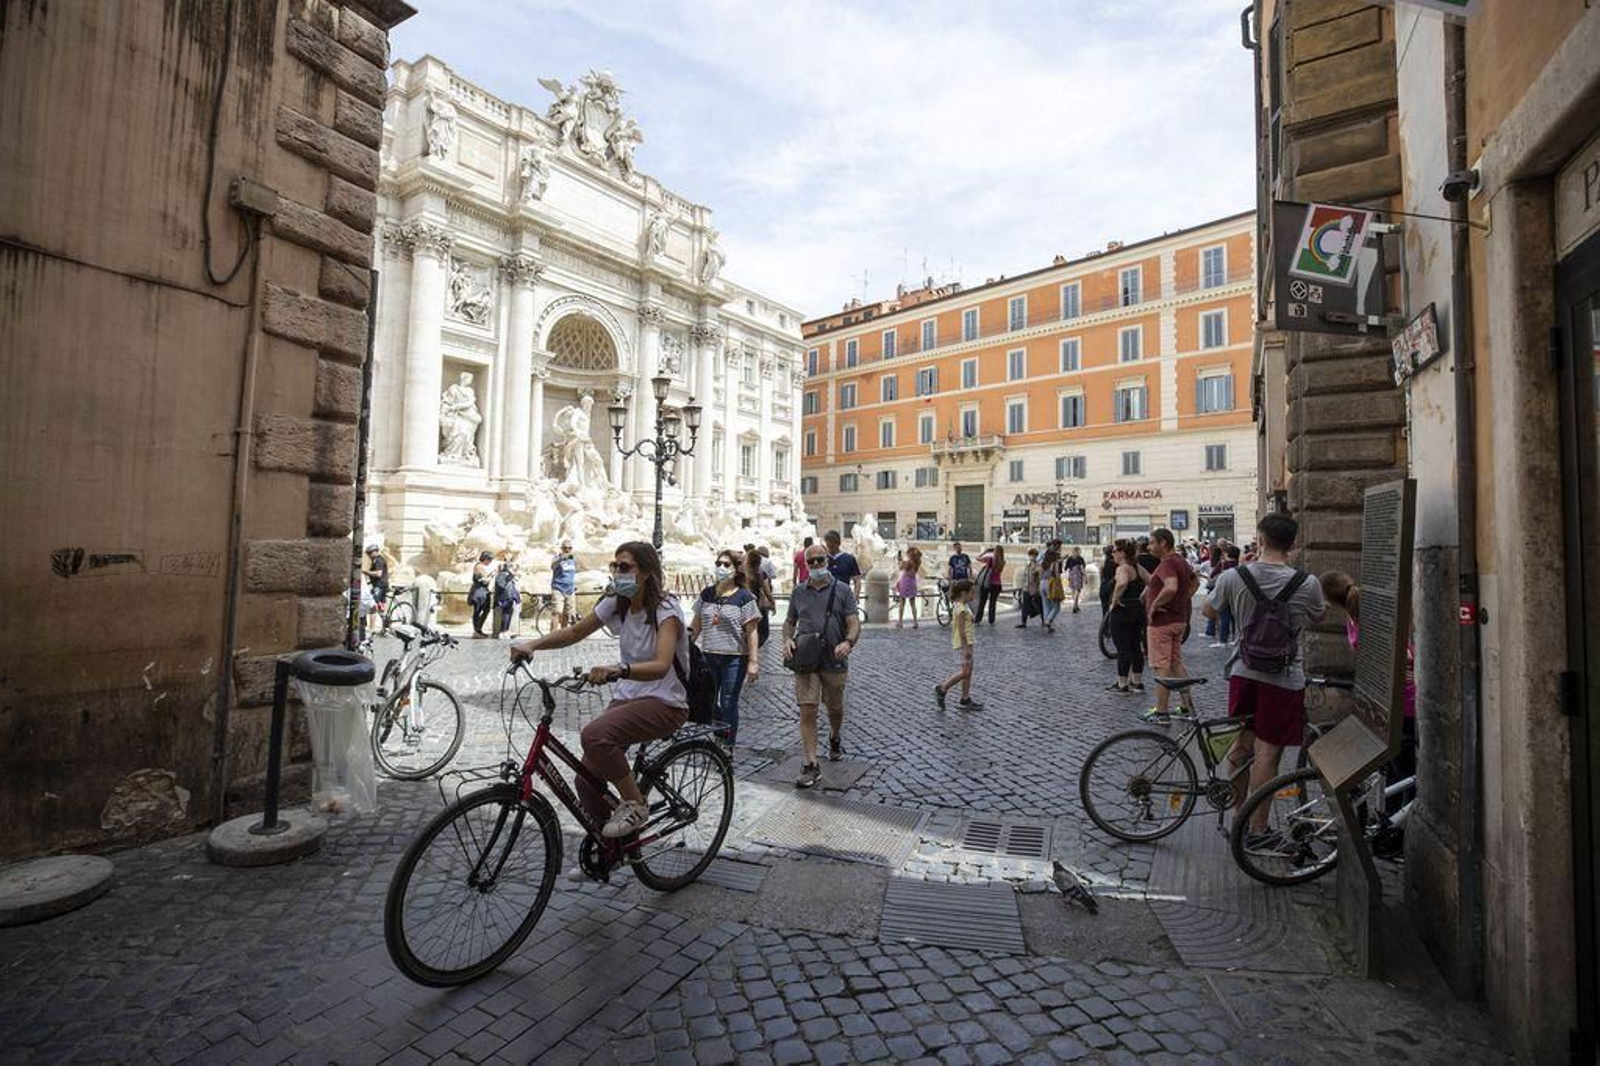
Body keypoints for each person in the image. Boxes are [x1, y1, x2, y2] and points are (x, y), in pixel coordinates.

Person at [509, 541, 690, 840]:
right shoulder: (618, 601)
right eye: (614, 566)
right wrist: (532, 645)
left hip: (665, 701)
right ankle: (612, 847)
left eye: (625, 567)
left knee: (595, 735)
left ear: (646, 572)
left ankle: (635, 804)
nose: (617, 572)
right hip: (629, 697)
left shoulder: (665, 609)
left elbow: (661, 665)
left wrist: (620, 669)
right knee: (586, 782)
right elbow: (575, 631)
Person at [1204, 515, 1326, 855]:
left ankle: (1238, 818)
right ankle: (1258, 829)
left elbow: (1208, 612)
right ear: (1293, 544)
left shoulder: (1234, 576)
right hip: (1283, 679)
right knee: (1268, 754)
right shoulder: (1307, 583)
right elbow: (1318, 615)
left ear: (1260, 540)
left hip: (1243, 672)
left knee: (1241, 745)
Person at [1320, 570, 1417, 796]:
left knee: (1403, 772)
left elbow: (1404, 654)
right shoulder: (1356, 612)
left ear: (1330, 599)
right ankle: (1393, 814)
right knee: (1395, 768)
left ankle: (1404, 814)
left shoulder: (1361, 614)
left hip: (1400, 698)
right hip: (1390, 697)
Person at [784, 542, 861, 788]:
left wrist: (848, 642)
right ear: (805, 565)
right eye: (811, 561)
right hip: (806, 658)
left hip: (834, 659)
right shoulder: (798, 592)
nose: (816, 564)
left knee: (835, 708)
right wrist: (787, 639)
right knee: (807, 710)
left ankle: (834, 736)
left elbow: (853, 621)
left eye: (820, 559)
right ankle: (810, 764)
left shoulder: (843, 590)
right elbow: (789, 621)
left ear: (827, 561)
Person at [689, 550, 761, 747]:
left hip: (735, 658)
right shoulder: (707, 594)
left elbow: (752, 631)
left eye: (726, 564)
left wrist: (753, 662)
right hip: (708, 655)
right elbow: (696, 625)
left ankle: (728, 746)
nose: (721, 567)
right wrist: (684, 643)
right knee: (710, 701)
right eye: (718, 563)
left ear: (736, 569)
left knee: (728, 701)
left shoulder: (744, 597)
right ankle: (719, 735)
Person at [1141, 527, 1199, 723]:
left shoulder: (1167, 563)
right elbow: (1195, 583)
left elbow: (1171, 587)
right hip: (1178, 620)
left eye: (1152, 543)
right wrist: (1181, 602)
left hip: (1162, 623)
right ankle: (1186, 707)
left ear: (1163, 543)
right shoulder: (1181, 561)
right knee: (1176, 664)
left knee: (1162, 667)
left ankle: (1161, 712)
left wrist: (1154, 605)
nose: (1149, 547)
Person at [1105, 539, 1146, 694]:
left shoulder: (1122, 568)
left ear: (1122, 553)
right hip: (1137, 609)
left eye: (1114, 551)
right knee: (1136, 646)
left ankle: (1122, 683)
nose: (1112, 554)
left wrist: (1114, 600)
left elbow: (1122, 583)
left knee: (1123, 648)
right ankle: (1137, 681)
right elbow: (1152, 581)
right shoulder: (1137, 567)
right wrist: (1142, 597)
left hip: (1122, 611)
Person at [934, 579, 982, 710]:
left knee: (968, 671)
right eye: (972, 592)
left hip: (969, 643)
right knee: (965, 672)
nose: (974, 595)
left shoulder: (964, 606)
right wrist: (966, 648)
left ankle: (965, 698)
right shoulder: (960, 609)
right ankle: (943, 688)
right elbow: (961, 631)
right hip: (963, 644)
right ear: (964, 593)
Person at [824, 530, 863, 598]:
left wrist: (855, 596)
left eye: (832, 545)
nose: (830, 548)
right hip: (825, 597)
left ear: (838, 543)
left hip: (843, 597)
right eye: (828, 545)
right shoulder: (822, 559)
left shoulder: (849, 559)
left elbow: (857, 580)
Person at [550, 539, 579, 628]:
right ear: (561, 548)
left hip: (570, 590)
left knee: (567, 614)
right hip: (558, 588)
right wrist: (561, 559)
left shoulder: (572, 559)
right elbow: (552, 566)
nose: (567, 550)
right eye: (565, 548)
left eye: (569, 548)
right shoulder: (557, 558)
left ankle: (563, 633)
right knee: (557, 612)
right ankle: (553, 634)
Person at [362, 544, 389, 632]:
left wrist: (366, 572)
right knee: (381, 606)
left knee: (372, 605)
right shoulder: (377, 560)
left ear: (375, 552)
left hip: (379, 585)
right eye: (368, 553)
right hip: (381, 585)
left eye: (370, 553)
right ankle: (385, 626)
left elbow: (378, 574)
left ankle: (372, 628)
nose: (369, 555)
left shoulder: (378, 560)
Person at [975, 545, 1005, 624]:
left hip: (987, 583)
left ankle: (978, 619)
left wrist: (985, 551)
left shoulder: (990, 559)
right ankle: (991, 620)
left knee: (982, 602)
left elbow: (977, 558)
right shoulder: (1002, 562)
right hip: (997, 584)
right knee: (993, 603)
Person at [469, 551, 496, 637]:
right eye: (490, 560)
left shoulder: (480, 566)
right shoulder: (479, 566)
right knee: (478, 611)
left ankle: (478, 629)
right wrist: (493, 574)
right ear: (485, 559)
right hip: (479, 592)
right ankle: (477, 631)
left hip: (483, 591)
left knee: (485, 610)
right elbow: (485, 580)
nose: (490, 562)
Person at [1039, 542, 1064, 632]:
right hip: (1051, 584)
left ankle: (1047, 624)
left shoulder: (1043, 563)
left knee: (1046, 605)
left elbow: (1040, 574)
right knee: (1056, 606)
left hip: (1042, 583)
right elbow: (1057, 575)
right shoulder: (1054, 563)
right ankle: (1048, 621)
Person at [1016, 547, 1042, 629]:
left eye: (1033, 555)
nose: (1032, 557)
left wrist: (1038, 588)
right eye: (1031, 555)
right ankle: (1023, 622)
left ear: (1036, 556)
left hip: (1035, 589)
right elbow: (1025, 576)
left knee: (1039, 605)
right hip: (1026, 588)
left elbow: (1039, 577)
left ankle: (1044, 620)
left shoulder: (1038, 565)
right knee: (1025, 606)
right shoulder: (1027, 565)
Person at [493, 560, 521, 638]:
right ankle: (503, 631)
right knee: (506, 614)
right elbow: (501, 585)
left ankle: (506, 630)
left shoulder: (504, 574)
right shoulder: (502, 575)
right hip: (505, 597)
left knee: (508, 614)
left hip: (508, 597)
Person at [896, 547, 922, 627]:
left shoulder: (908, 563)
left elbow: (900, 568)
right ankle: (915, 622)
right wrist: (902, 561)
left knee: (902, 603)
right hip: (912, 582)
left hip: (905, 582)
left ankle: (900, 622)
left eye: (908, 553)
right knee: (913, 604)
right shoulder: (917, 562)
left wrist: (900, 561)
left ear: (910, 554)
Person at [1064, 546, 1086, 614]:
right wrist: (1085, 576)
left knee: (1073, 590)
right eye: (1079, 551)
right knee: (1078, 591)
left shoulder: (1069, 559)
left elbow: (1066, 568)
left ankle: (1076, 605)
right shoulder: (1080, 558)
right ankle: (1075, 606)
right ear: (1077, 552)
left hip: (1071, 574)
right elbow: (1082, 568)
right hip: (1078, 575)